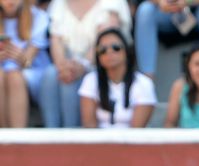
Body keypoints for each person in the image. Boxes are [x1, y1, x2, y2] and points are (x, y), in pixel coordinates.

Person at [39, 0, 132, 128]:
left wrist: (82, 65)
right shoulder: (58, 4)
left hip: (99, 66)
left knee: (70, 81)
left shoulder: (112, 3)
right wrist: (63, 67)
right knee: (51, 74)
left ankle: (70, 135)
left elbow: (105, 42)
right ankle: (50, 134)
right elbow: (55, 41)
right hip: (68, 65)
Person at [79, 27, 156, 128]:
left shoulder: (143, 84)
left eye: (116, 47)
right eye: (103, 50)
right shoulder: (90, 80)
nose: (109, 52)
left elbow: (137, 132)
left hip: (131, 142)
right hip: (98, 141)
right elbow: (89, 127)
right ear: (98, 56)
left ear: (127, 51)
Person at [133, 0, 199, 80]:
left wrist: (187, 1)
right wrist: (160, 1)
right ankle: (146, 82)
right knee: (145, 10)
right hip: (166, 13)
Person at [0, 0, 49, 128]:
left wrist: (19, 57)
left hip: (31, 71)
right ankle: (4, 138)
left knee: (14, 76)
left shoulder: (39, 17)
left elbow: (28, 61)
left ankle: (17, 136)